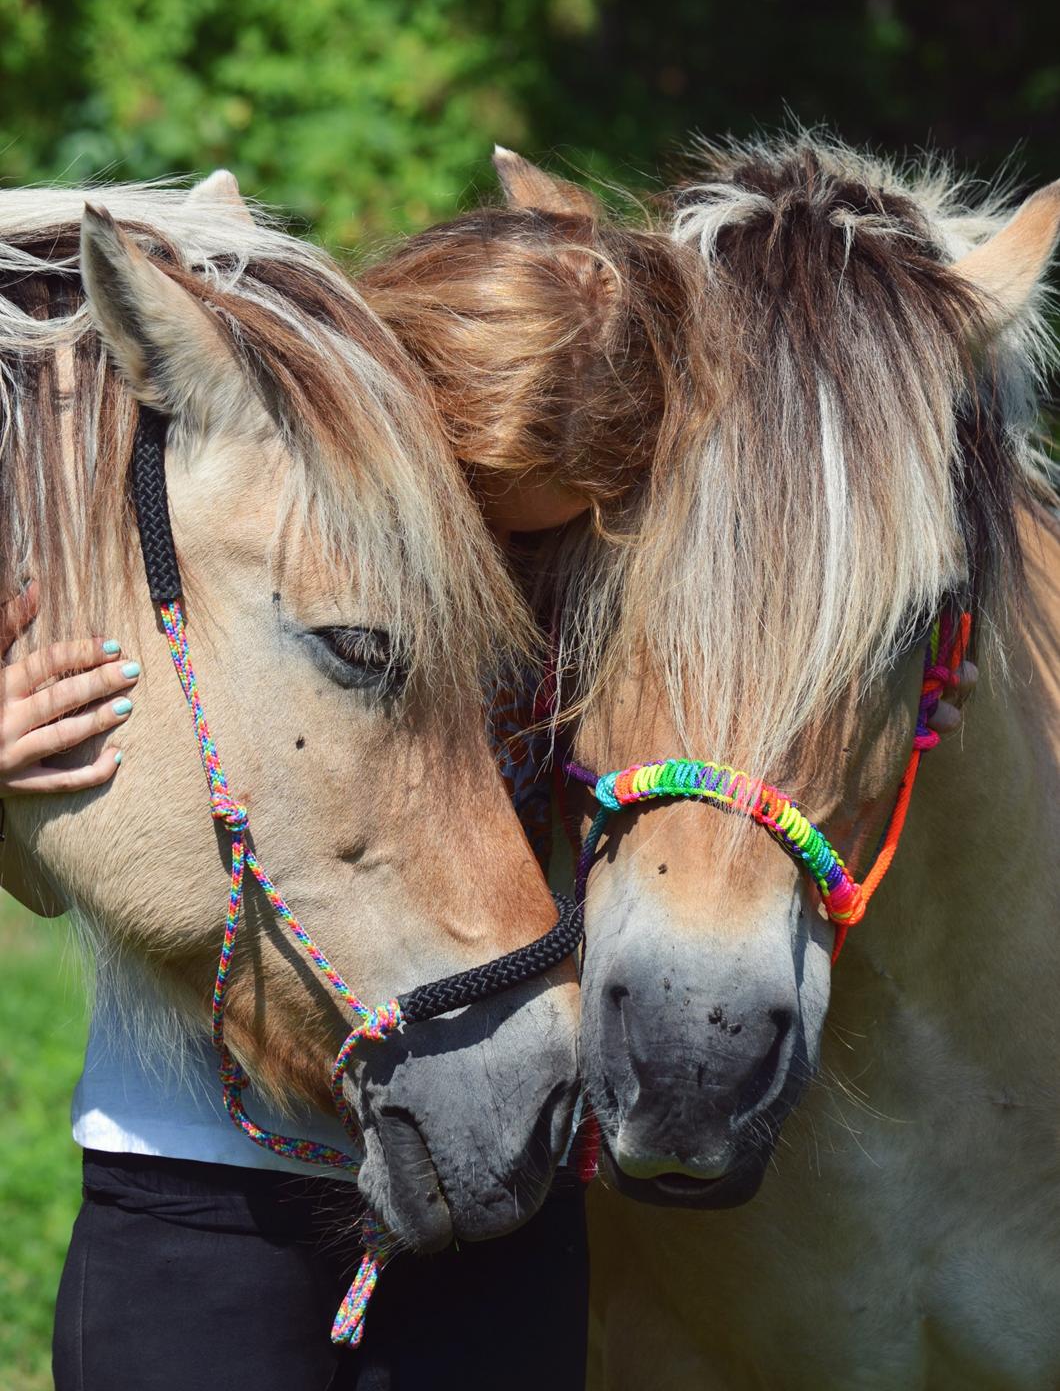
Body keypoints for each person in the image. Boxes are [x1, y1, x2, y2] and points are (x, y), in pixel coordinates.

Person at [1, 165, 977, 1390]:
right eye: (475, 526)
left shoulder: (613, 614)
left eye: (539, 546)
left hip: (505, 1195)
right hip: (208, 1186)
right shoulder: (261, 512)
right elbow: (72, 850)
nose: (498, 575)